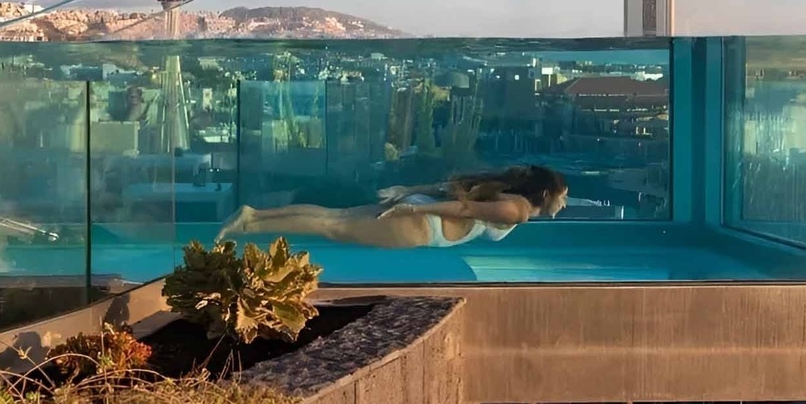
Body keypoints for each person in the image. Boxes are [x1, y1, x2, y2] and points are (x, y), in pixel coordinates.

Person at [215, 164, 568, 249]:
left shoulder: (506, 194)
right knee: (331, 226)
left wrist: (409, 192)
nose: (565, 204)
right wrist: (410, 208)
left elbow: (450, 189)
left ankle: (253, 217)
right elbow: (464, 210)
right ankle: (251, 226)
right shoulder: (518, 211)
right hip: (420, 224)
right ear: (546, 194)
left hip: (420, 212)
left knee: (332, 217)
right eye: (563, 196)